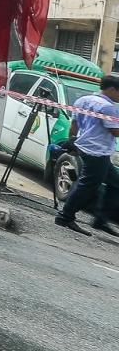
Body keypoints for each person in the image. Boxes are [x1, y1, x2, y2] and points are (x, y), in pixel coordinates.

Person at [54, 73, 119, 236]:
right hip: (97, 151)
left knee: (115, 183)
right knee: (87, 185)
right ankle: (65, 216)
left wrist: (72, 142)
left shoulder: (83, 100)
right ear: (112, 89)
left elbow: (74, 124)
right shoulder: (108, 107)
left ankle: (100, 219)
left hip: (87, 148)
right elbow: (115, 131)